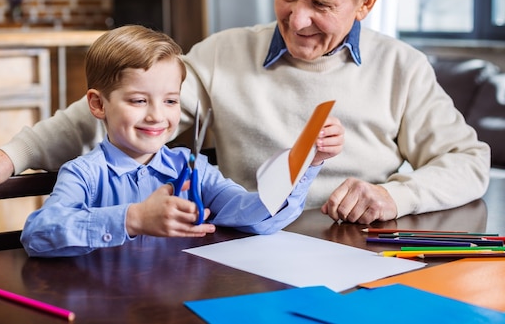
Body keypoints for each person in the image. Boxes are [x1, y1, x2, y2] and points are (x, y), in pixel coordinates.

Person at [0, 0, 490, 225]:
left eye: (320, 3)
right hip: (255, 248)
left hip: (369, 253)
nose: (296, 20)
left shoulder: (402, 67)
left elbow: (469, 161)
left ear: (365, 1)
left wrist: (399, 195)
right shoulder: (222, 55)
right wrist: (8, 157)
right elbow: (115, 110)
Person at [20, 25, 343, 257]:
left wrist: (304, 165)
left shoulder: (191, 167)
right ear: (98, 104)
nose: (157, 116)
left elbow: (254, 218)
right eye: (138, 101)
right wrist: (133, 219)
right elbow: (37, 235)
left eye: (171, 101)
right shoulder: (85, 174)